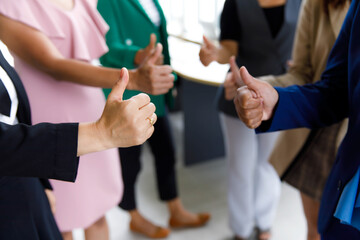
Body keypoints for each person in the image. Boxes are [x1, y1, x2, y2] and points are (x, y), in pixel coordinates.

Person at [0, 0, 174, 239]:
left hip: (93, 109)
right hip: (51, 120)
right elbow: (54, 65)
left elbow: (95, 53)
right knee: (62, 220)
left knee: (98, 209)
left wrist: (135, 58)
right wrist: (132, 79)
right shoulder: (11, 4)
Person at [223, 0, 350, 239]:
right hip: (320, 132)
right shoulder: (316, 4)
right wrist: (265, 92)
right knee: (317, 230)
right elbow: (310, 76)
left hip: (349, 135)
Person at [97, 0, 210, 238]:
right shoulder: (108, 2)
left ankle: (175, 210)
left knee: (166, 152)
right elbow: (106, 51)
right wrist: (138, 55)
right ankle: (134, 217)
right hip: (128, 95)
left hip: (155, 93)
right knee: (130, 162)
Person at [199, 0, 301, 239]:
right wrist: (216, 53)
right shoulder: (236, 2)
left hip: (281, 97)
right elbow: (229, 49)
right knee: (240, 167)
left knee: (270, 165)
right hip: (239, 95)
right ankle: (241, 230)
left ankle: (264, 224)